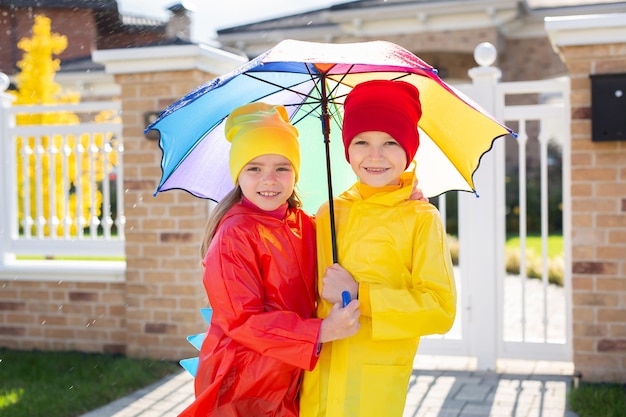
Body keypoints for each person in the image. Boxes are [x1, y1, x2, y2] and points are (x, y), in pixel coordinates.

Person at [179, 102, 361, 417]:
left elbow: (351, 227)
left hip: (287, 375)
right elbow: (242, 319)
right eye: (254, 168)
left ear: (295, 172)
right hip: (243, 382)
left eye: (282, 167)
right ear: (238, 174)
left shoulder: (304, 224)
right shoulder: (235, 233)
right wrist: (320, 332)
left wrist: (394, 199)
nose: (269, 180)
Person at [299, 80, 457, 417]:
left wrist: (360, 293)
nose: (375, 155)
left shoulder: (421, 218)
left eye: (390, 142)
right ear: (346, 148)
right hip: (318, 377)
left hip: (372, 385)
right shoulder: (327, 213)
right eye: (361, 141)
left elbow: (440, 308)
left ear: (409, 150)